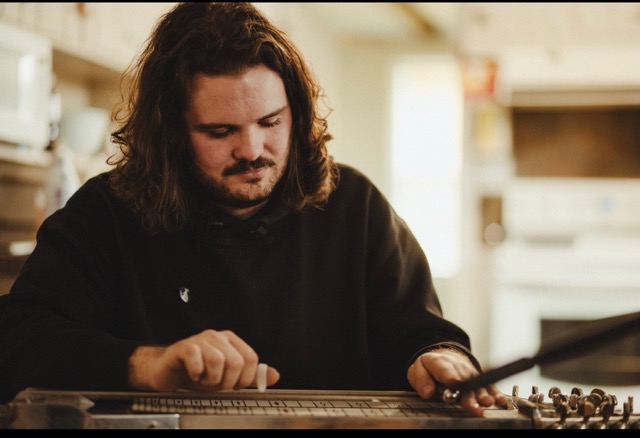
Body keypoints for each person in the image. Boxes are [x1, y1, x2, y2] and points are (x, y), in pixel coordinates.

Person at [0, 2, 508, 417]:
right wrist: (148, 365)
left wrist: (438, 358)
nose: (252, 149)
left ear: (297, 113)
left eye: (271, 121)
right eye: (220, 132)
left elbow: (422, 334)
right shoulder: (107, 213)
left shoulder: (356, 207)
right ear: (173, 134)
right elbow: (17, 343)